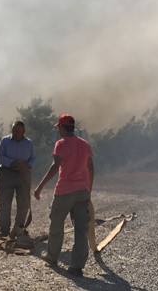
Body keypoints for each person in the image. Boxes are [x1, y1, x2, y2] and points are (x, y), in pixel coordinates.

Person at [34, 114, 94, 277]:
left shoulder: (60, 144)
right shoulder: (85, 144)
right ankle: (76, 267)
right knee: (81, 230)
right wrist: (88, 190)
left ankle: (52, 258)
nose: (58, 130)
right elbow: (91, 168)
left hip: (64, 192)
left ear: (62, 128)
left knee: (56, 225)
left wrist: (39, 187)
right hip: (82, 191)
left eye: (58, 127)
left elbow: (55, 167)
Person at [0, 120, 36, 239]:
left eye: (18, 131)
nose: (15, 133)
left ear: (23, 132)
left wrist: (27, 165)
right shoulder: (5, 141)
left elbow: (33, 158)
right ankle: (4, 230)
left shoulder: (29, 143)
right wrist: (12, 163)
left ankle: (19, 229)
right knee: (4, 204)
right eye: (13, 130)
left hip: (23, 175)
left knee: (23, 204)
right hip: (6, 173)